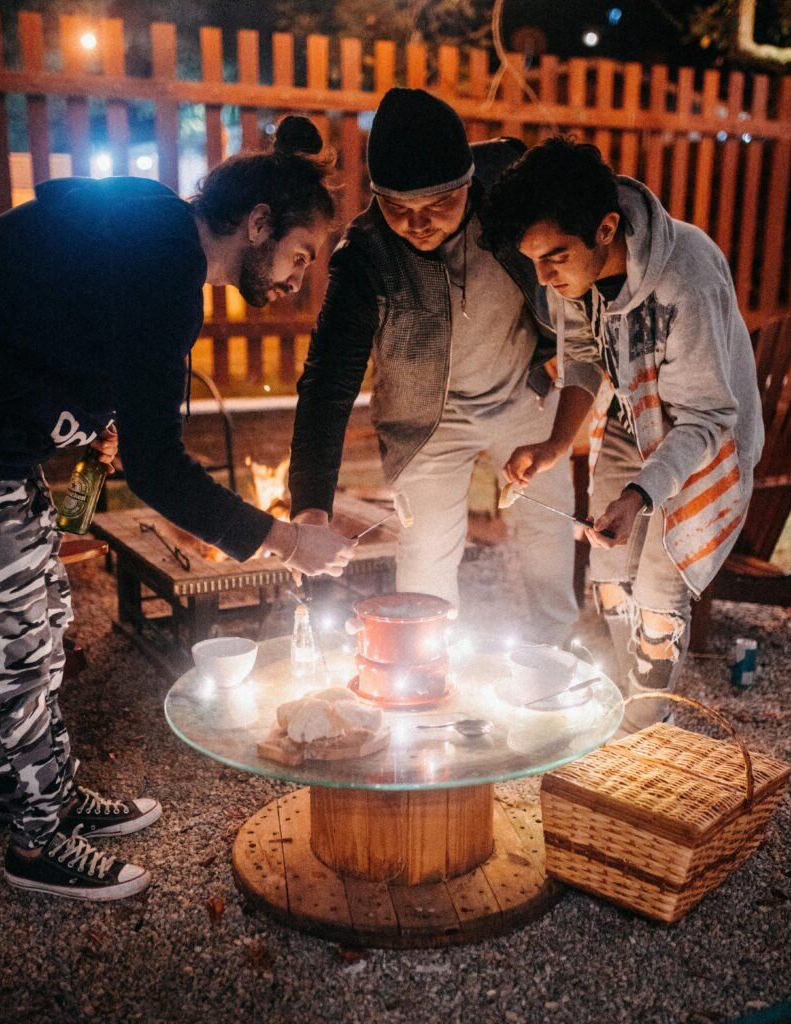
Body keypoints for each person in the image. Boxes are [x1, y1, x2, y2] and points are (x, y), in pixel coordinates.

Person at [0, 116, 356, 901]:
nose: (296, 278)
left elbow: (51, 321)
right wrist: (281, 538)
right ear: (257, 223)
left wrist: (86, 412)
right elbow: (158, 468)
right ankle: (36, 846)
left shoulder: (152, 238)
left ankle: (51, 792)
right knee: (11, 649)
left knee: (45, 620)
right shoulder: (163, 262)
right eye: (299, 254)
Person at [482, 136, 763, 730]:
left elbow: (711, 417)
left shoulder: (686, 275)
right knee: (607, 574)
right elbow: (584, 352)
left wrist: (639, 496)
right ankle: (619, 702)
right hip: (632, 419)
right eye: (533, 259)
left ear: (606, 228)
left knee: (660, 591)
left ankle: (644, 731)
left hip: (704, 442)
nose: (544, 275)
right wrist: (557, 445)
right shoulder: (570, 277)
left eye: (554, 256)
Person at [289, 88, 578, 645]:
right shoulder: (365, 256)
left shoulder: (512, 193)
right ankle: (425, 672)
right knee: (425, 558)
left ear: (468, 184)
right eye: (398, 208)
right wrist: (310, 506)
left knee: (548, 524)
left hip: (522, 393)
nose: (417, 223)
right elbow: (328, 382)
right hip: (425, 422)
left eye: (436, 205)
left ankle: (553, 657)